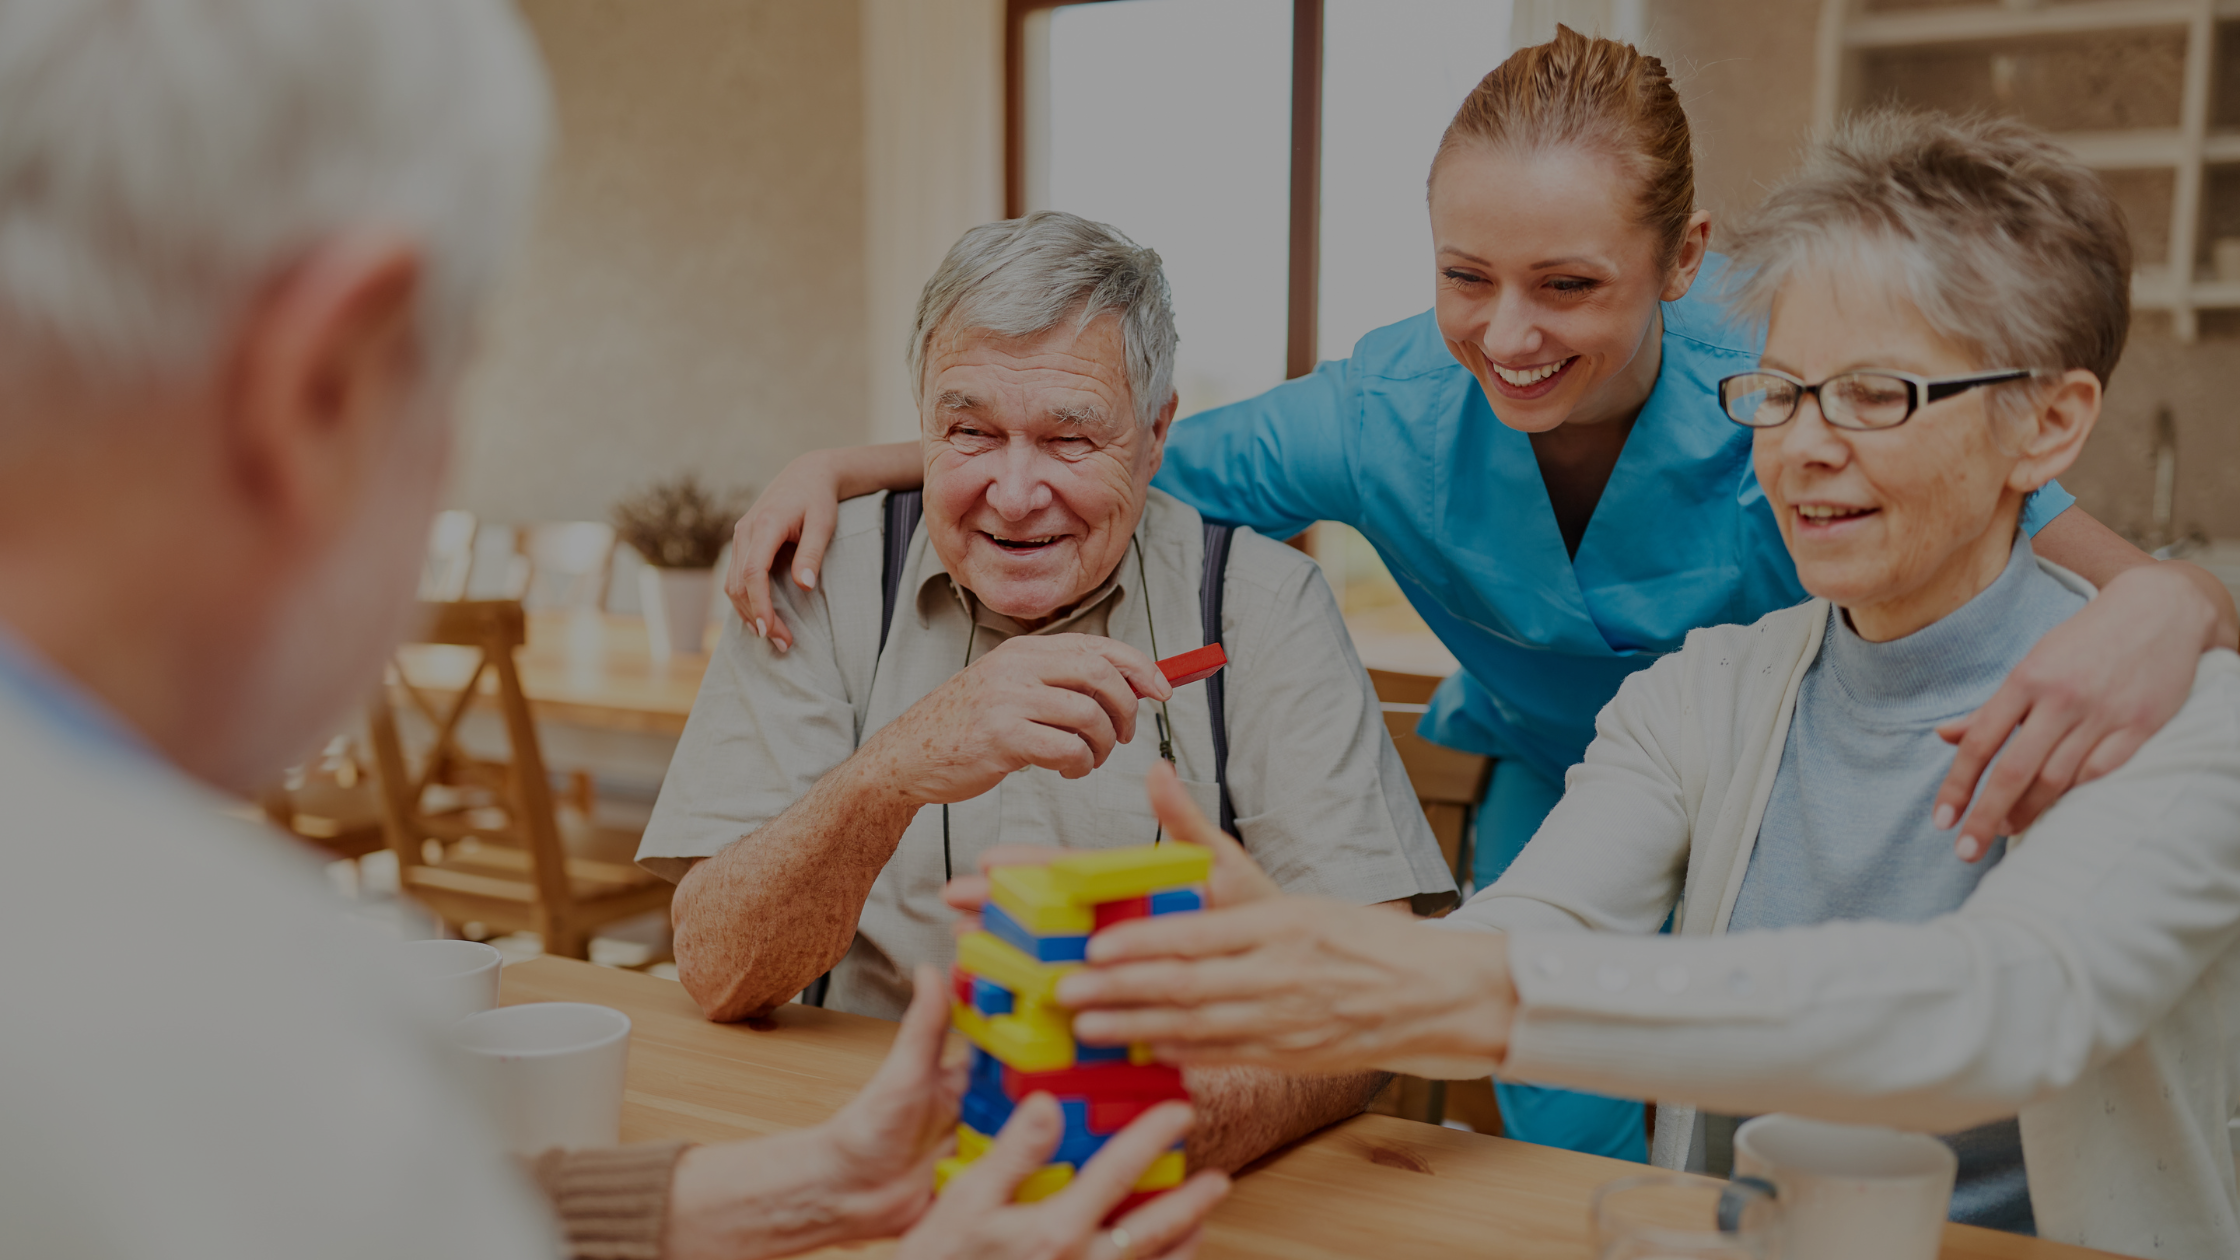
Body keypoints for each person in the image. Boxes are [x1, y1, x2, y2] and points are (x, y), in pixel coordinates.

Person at [716, 26, 2239, 1162]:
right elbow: (1107, 451)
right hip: (1595, 768)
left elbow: (1999, 990)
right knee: (1572, 1130)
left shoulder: (1788, 398)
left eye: (1569, 284)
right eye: (1467, 277)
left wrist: (2176, 609)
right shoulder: (1407, 432)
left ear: (1681, 264)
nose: (1507, 334)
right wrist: (877, 465)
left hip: (1790, 783)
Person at [0, 2, 1224, 1257]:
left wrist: (770, 1193)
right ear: (315, 385)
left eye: (1068, 437)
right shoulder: (207, 1023)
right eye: (453, 372)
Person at [1051, 111, 2240, 1259]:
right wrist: (1357, 970)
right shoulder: (1706, 694)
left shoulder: (2176, 717)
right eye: (1779, 391)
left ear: (2046, 427)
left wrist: (1456, 988)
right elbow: (1538, 924)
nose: (1802, 445)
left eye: (1876, 394)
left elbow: (1994, 1010)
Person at [637, 209, 1457, 1172]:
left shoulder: (1261, 605)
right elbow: (721, 970)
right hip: (853, 1149)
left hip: (1161, 1164)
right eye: (970, 430)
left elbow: (1368, 1000)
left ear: (1155, 436)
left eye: (1070, 439)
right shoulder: (816, 576)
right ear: (923, 424)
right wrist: (892, 770)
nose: (1015, 493)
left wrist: (1137, 1128)